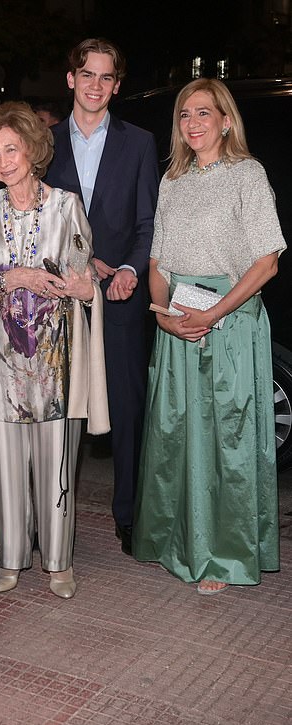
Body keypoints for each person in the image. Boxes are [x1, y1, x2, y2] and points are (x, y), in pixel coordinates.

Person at [133, 79, 286, 594]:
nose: (193, 123)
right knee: (178, 439)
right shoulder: (172, 180)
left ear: (226, 120)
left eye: (204, 113)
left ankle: (223, 555)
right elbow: (157, 262)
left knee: (229, 440)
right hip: (178, 322)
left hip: (230, 322)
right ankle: (177, 542)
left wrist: (215, 312)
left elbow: (267, 263)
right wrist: (162, 313)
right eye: (184, 115)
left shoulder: (248, 175)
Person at [0, 102, 109, 599]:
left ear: (33, 150)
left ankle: (60, 564)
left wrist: (76, 285)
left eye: (12, 149)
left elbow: (84, 278)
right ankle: (11, 559)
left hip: (53, 359)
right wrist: (13, 278)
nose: (2, 161)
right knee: (7, 465)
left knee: (56, 461)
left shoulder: (66, 206)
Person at [45, 38, 159, 556]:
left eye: (106, 78)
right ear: (71, 78)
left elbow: (147, 221)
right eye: (87, 75)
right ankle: (51, 517)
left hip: (121, 295)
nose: (96, 86)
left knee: (128, 405)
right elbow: (36, 221)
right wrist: (82, 263)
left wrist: (131, 269)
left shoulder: (139, 143)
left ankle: (130, 515)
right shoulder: (43, 143)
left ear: (117, 85)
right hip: (58, 297)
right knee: (56, 410)